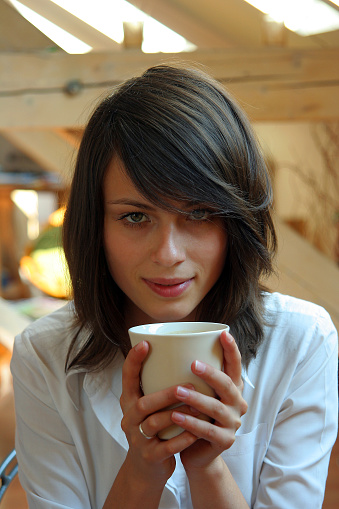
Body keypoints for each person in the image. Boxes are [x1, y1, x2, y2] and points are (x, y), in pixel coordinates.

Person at [10, 65, 338, 509]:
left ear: (236, 223)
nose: (167, 254)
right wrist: (142, 469)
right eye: (135, 216)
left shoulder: (301, 341)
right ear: (95, 225)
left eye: (200, 215)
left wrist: (207, 466)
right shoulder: (46, 356)